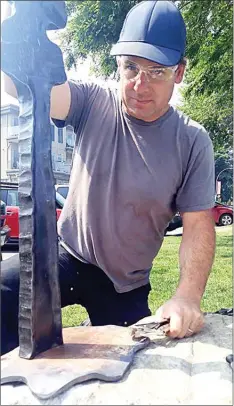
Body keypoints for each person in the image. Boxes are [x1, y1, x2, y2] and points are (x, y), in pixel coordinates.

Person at [1, 0, 216, 356]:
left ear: (179, 72)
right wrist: (13, 44)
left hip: (126, 285)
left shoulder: (193, 142)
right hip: (66, 254)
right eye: (130, 67)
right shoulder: (92, 102)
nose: (139, 85)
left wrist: (187, 296)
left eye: (156, 71)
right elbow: (32, 89)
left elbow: (196, 226)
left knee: (136, 363)